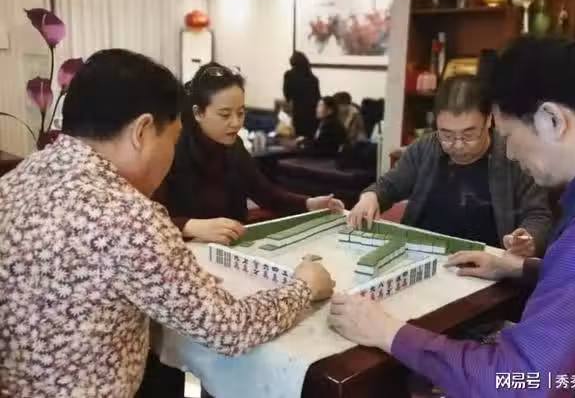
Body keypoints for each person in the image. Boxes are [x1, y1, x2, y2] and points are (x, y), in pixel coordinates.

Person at [329, 37, 575, 397]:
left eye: (510, 136)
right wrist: (517, 268)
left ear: (552, 119)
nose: (512, 153)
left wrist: (388, 333)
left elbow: (520, 381)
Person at [0, 49, 335, 398]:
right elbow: (229, 329)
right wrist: (304, 287)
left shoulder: (16, 179)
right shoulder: (129, 218)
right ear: (142, 131)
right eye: (172, 139)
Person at [348, 74, 552, 257]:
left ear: (489, 120)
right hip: (419, 256)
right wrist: (370, 197)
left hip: (485, 266)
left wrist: (528, 240)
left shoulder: (514, 155)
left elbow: (538, 215)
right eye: (447, 135)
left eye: (468, 135)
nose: (458, 145)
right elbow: (389, 186)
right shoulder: (425, 148)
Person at [153, 63, 344, 245]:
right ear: (198, 113)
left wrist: (310, 204)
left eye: (241, 113)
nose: (236, 123)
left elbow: (266, 194)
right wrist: (191, 226)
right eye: (225, 114)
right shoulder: (171, 149)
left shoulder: (234, 147)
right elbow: (147, 219)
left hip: (232, 247)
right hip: (185, 252)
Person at [283, 51, 321, 139]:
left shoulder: (289, 75)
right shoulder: (313, 78)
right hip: (312, 114)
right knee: (309, 139)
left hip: (298, 112)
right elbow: (317, 97)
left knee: (297, 139)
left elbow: (287, 94)